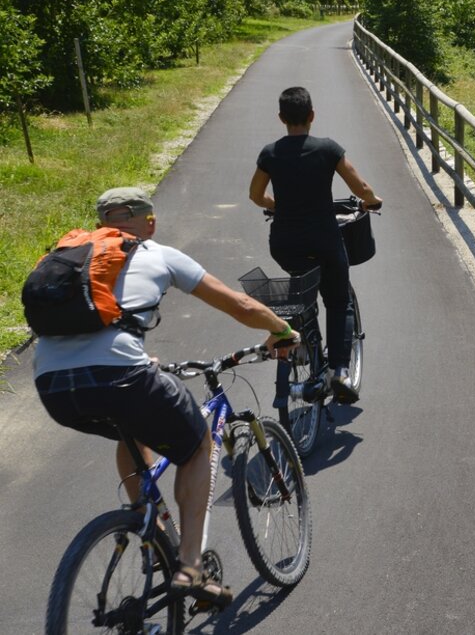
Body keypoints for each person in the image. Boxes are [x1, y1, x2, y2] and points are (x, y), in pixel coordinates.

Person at [34, 187, 300, 607]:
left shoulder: (77, 259)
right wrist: (282, 331)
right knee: (196, 446)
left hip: (52, 386)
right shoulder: (156, 253)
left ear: (102, 223)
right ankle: (190, 567)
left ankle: (148, 528)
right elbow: (240, 305)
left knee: (131, 433)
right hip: (120, 375)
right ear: (150, 221)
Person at [248, 86, 382, 404]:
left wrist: (279, 206)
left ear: (281, 118)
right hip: (324, 238)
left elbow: (255, 196)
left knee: (302, 285)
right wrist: (372, 201)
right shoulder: (328, 149)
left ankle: (304, 340)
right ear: (312, 115)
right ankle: (338, 371)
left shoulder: (270, 154)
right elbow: (360, 187)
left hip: (284, 243)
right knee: (338, 302)